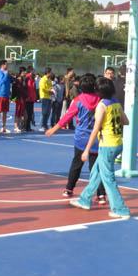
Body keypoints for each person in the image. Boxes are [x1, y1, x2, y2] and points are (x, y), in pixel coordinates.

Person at [71, 77, 131, 219]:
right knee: (97, 172)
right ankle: (85, 199)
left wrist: (86, 150)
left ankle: (120, 209)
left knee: (108, 179)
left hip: (107, 145)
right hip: (117, 143)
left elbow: (95, 129)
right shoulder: (116, 103)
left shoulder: (102, 106)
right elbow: (126, 121)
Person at [46, 73, 106, 202]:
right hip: (96, 138)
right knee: (96, 167)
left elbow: (67, 116)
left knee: (76, 164)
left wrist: (53, 129)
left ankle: (69, 188)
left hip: (81, 138)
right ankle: (101, 194)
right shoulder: (101, 100)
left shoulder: (78, 100)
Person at [0, 60, 14, 133]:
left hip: (7, 94)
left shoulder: (7, 72)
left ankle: (4, 127)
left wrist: (10, 76)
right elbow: (1, 81)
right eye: (6, 64)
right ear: (2, 65)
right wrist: (6, 75)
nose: (7, 65)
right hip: (1, 94)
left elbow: (12, 81)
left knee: (5, 111)